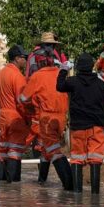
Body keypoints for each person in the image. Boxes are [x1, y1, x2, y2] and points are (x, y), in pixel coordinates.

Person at [19, 47, 72, 190]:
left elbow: (23, 98)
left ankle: (69, 186)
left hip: (47, 119)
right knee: (45, 150)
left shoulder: (37, 76)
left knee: (54, 152)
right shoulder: (60, 73)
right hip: (61, 118)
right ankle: (42, 180)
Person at [57, 53, 104, 194]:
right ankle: (95, 196)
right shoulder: (100, 84)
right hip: (97, 127)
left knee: (77, 159)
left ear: (78, 67)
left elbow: (59, 86)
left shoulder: (73, 82)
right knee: (95, 160)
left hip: (78, 127)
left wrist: (63, 70)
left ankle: (77, 195)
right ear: (92, 66)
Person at [0, 45, 30, 182]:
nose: (26, 61)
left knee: (3, 150)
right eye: (24, 58)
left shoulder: (0, 75)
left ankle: (3, 185)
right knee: (15, 151)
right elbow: (21, 102)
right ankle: (14, 187)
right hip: (15, 117)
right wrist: (28, 119)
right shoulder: (18, 76)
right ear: (17, 58)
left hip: (2, 115)